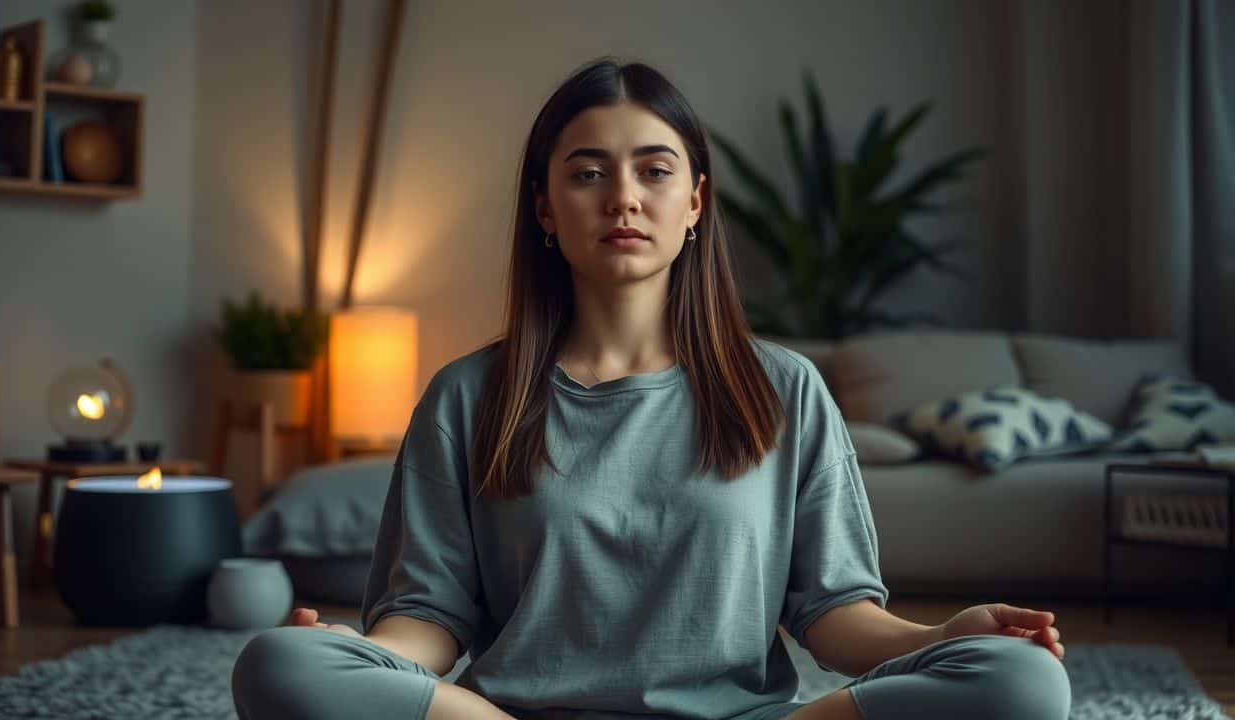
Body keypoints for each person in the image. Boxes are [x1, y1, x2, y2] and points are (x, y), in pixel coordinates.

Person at [231, 57, 1072, 720]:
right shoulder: (466, 396)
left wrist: (941, 636)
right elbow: (428, 620)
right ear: (546, 211)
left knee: (1024, 685)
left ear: (696, 202)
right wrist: (358, 655)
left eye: (655, 171)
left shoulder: (785, 388)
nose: (624, 197)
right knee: (278, 664)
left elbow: (836, 615)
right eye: (588, 173)